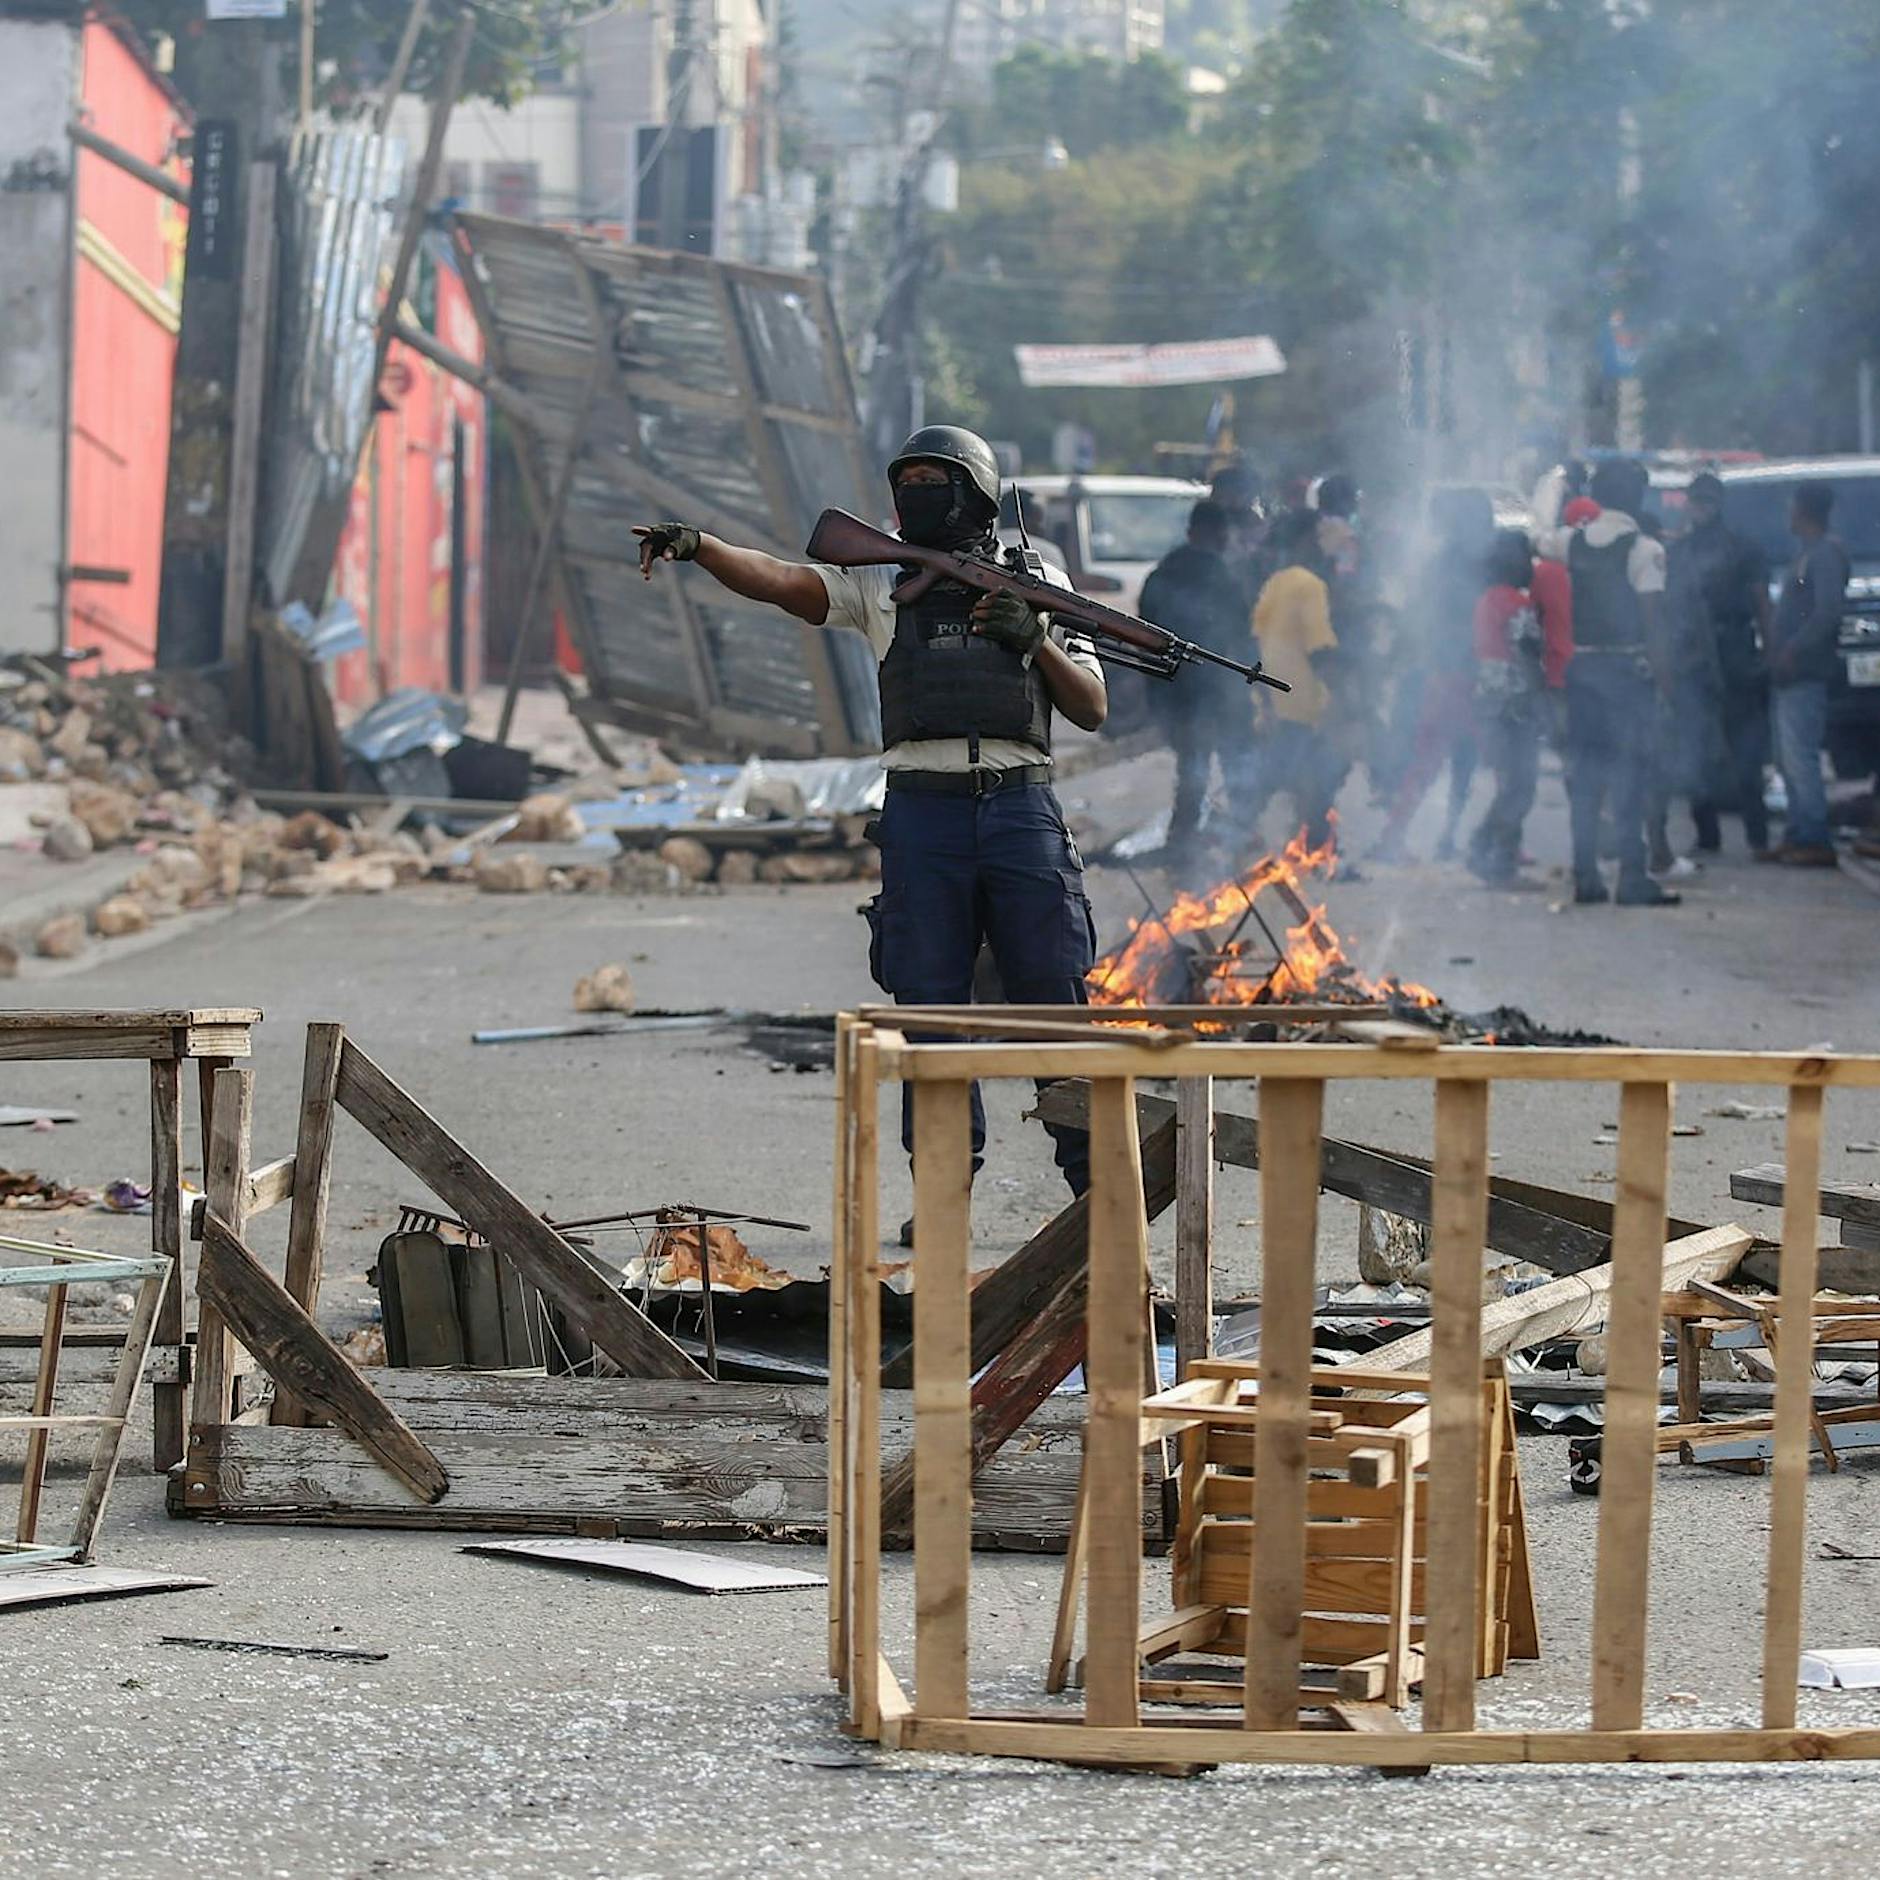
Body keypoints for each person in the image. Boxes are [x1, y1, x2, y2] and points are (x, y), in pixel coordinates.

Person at [634, 424, 1109, 1217]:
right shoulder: (882, 577)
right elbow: (785, 581)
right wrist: (701, 546)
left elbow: (1091, 706)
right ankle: (945, 1205)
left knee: (1054, 1007)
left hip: (1021, 807)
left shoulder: (1040, 576)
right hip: (923, 815)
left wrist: (1034, 638)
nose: (916, 495)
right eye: (907, 481)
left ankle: (1101, 1200)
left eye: (935, 481)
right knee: (929, 1020)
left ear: (978, 493)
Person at [1535, 457, 1678, 906]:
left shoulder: (1571, 543)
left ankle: (1586, 877)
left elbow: (1536, 536)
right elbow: (1653, 624)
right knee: (1630, 778)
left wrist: (1553, 489)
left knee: (1587, 778)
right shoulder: (1645, 550)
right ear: (1638, 497)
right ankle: (1633, 878)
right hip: (1626, 676)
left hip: (1583, 674)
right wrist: (1667, 685)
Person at [1370, 487, 1493, 863]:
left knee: (1431, 761)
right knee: (1468, 762)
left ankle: (1401, 835)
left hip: (1443, 671)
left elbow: (1418, 613)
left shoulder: (1441, 561)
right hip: (1469, 674)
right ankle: (1458, 837)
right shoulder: (1480, 563)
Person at [1138, 499, 1260, 862]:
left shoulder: (1161, 574)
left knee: (1193, 769)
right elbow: (1242, 636)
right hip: (1219, 690)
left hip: (1176, 693)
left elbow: (1145, 637)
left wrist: (1157, 695)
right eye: (1221, 532)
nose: (1224, 539)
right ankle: (1238, 837)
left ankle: (1184, 840)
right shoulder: (1225, 576)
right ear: (1210, 533)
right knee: (1234, 766)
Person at [1668, 471, 1771, 854]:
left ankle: (1757, 836)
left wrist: (1770, 650)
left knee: (1745, 750)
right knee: (1695, 751)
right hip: (1692, 659)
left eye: (1708, 500)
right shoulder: (1679, 553)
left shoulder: (1743, 549)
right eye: (1697, 500)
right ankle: (1707, 835)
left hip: (1735, 656)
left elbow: (1762, 602)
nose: (1702, 508)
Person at [1760, 480, 1849, 866]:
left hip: (1805, 671)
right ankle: (1797, 832)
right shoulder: (1806, 555)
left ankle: (1814, 838)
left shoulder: (1825, 555)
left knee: (1801, 757)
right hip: (1788, 673)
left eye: (1791, 506)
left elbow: (1827, 612)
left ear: (1803, 510)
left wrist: (1794, 648)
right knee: (1787, 757)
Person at [1248, 509, 1344, 849]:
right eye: (1317, 537)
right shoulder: (1310, 585)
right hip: (1304, 704)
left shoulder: (1276, 581)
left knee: (1279, 776)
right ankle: (1317, 848)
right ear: (1306, 540)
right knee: (1317, 777)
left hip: (1276, 702)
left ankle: (1239, 834)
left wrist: (1262, 700)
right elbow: (1320, 648)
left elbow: (1255, 640)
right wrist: (1343, 698)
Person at [1465, 529, 1546, 885]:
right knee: (1521, 786)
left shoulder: (1485, 599)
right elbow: (1529, 654)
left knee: (1509, 783)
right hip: (1516, 703)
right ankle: (1490, 854)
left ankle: (1493, 854)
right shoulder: (1518, 604)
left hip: (1487, 698)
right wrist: (1542, 697)